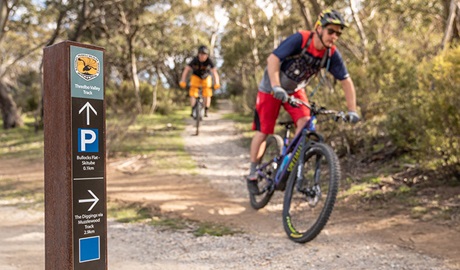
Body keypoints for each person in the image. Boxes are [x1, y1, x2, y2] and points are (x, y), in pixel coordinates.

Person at [246, 9, 360, 194]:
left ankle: (289, 163)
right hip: (270, 88)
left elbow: (346, 81)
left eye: (338, 34)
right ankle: (252, 172)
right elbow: (273, 59)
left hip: (295, 90)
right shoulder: (301, 39)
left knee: (306, 123)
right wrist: (276, 86)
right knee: (264, 131)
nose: (334, 37)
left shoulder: (331, 54)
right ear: (319, 29)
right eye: (331, 31)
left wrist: (352, 110)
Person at [179, 45, 221, 117]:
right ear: (198, 54)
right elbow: (186, 69)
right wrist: (183, 80)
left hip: (206, 78)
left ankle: (206, 110)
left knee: (207, 93)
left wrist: (217, 82)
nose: (202, 56)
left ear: (207, 55)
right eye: (201, 54)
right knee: (193, 92)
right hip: (196, 77)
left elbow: (214, 72)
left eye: (204, 54)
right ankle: (193, 109)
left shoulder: (209, 61)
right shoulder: (194, 60)